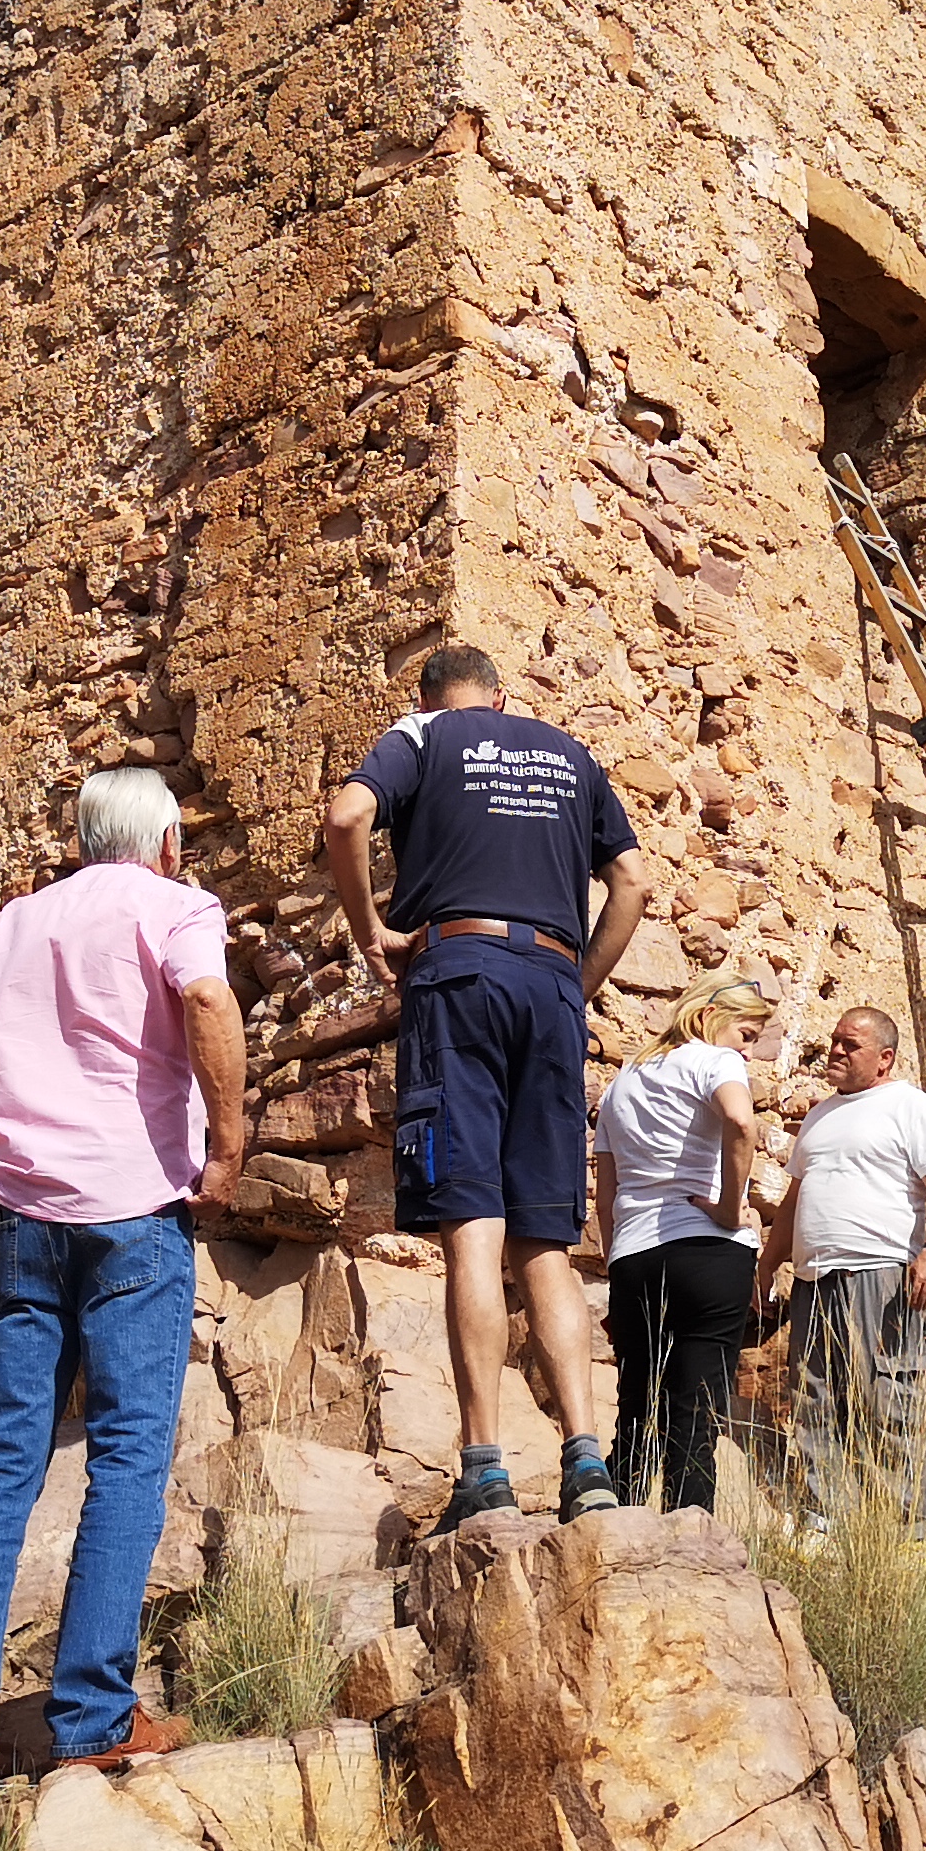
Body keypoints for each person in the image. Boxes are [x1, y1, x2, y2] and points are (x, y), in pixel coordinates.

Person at [0, 765, 246, 1782]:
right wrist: (228, 1142)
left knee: (3, 1466)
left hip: (22, 1219)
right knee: (126, 1460)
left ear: (83, 840)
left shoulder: (16, 925)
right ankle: (91, 1716)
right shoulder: (175, 905)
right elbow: (207, 996)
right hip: (132, 1212)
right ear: (166, 843)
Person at [322, 643, 647, 1529]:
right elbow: (631, 879)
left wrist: (372, 929)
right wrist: (578, 984)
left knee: (472, 1223)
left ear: (427, 696)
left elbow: (348, 817)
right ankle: (587, 1459)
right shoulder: (568, 754)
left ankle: (485, 1466)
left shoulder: (422, 737)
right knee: (544, 1236)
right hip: (550, 986)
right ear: (502, 699)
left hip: (457, 972)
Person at [756, 1007, 926, 1525]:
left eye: (852, 1045)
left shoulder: (909, 1106)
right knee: (815, 1398)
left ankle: (905, 1532)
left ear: (885, 1058)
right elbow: (794, 1200)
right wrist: (766, 1266)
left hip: (885, 1277)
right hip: (815, 1280)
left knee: (888, 1401)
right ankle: (821, 1519)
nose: (837, 1051)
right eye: (835, 1041)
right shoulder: (820, 1116)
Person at [592, 968, 770, 1513]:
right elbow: (740, 1122)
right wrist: (726, 1206)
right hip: (707, 1250)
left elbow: (606, 1189)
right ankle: (691, 1550)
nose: (750, 1048)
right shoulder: (713, 1059)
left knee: (636, 1411)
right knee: (695, 1413)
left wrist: (614, 1261)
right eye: (748, 1033)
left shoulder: (623, 1081)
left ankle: (613, 1532)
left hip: (634, 1255)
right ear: (716, 1014)